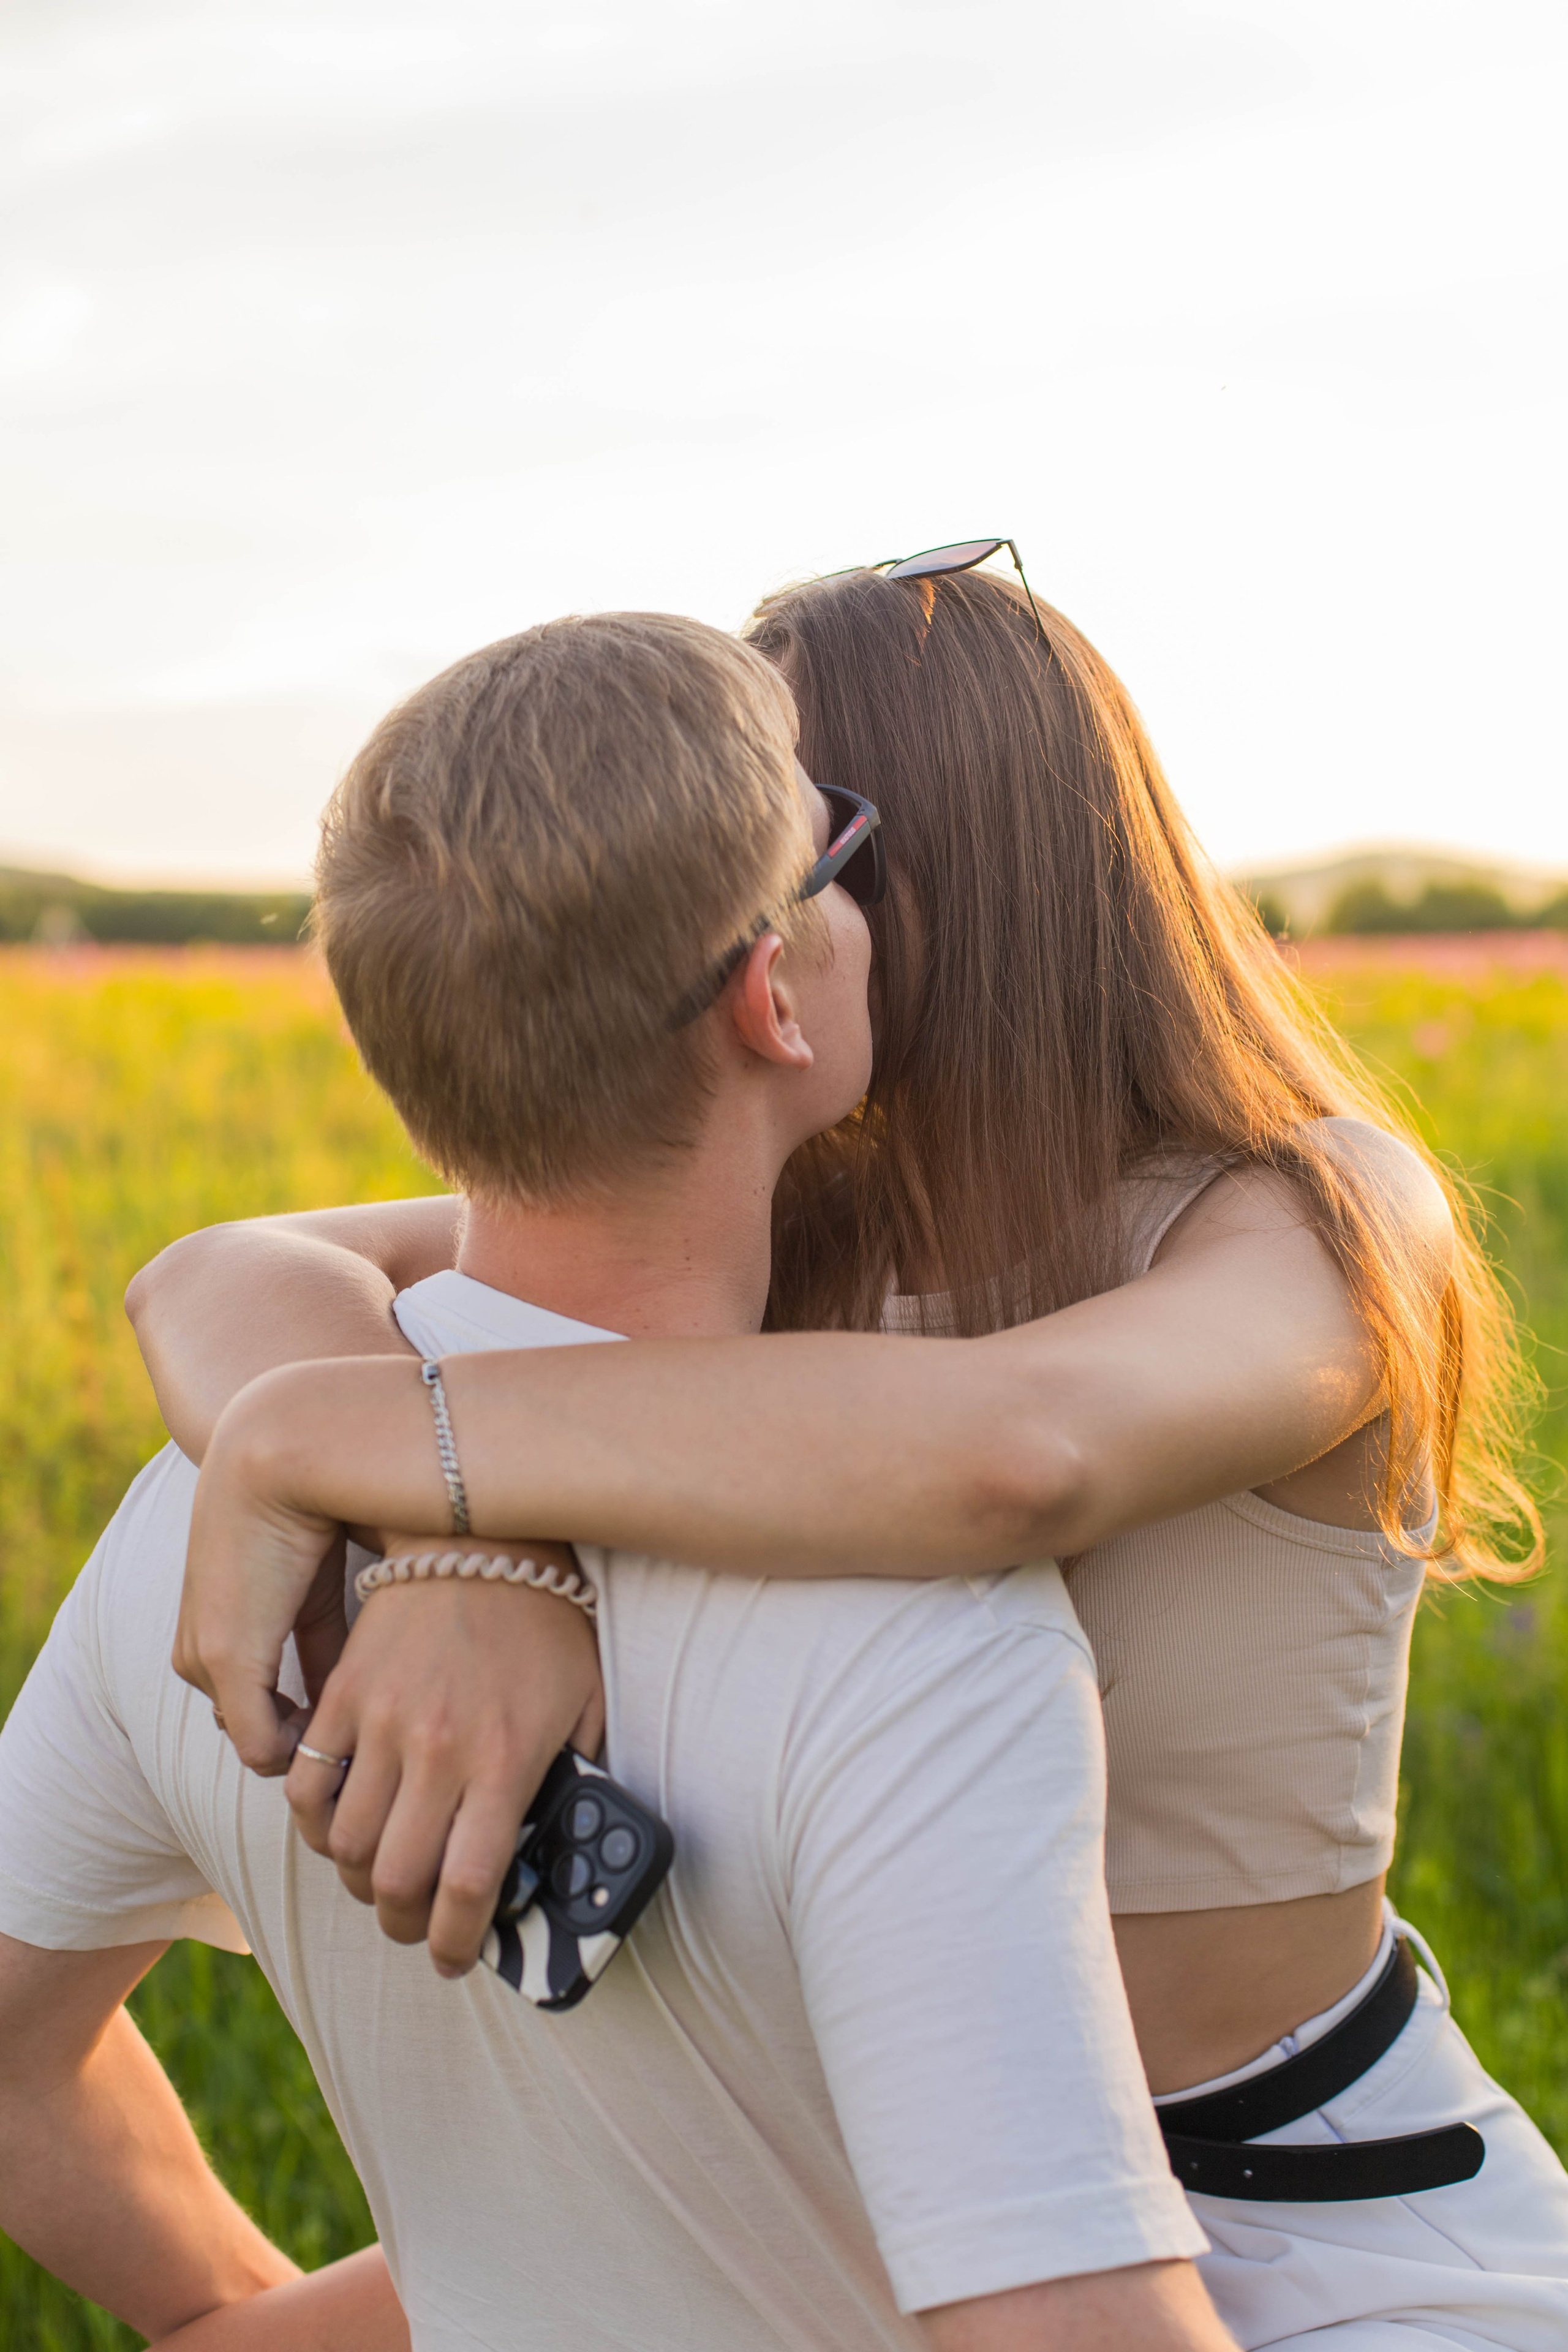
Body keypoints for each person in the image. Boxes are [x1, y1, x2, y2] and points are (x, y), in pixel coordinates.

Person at [151, 551, 1568, 2349]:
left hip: (1304, 2212)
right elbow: (224, 1273)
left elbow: (1021, 1456)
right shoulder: (792, 1209)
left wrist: (363, 1452)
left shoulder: (1314, 1206)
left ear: (907, 872)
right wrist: (456, 1547)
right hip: (838, 2187)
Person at [0, 610, 1229, 2352]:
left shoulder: (194, 1533)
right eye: (838, 854)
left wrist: (228, 2320)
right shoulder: (912, 1633)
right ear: (770, 995)